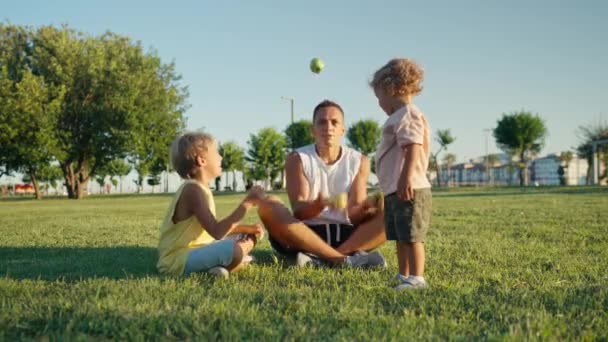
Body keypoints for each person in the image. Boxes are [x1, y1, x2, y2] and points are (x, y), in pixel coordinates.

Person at [258, 100, 387, 268]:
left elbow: (354, 216)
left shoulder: (359, 160)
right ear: (313, 130)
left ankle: (327, 258)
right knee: (268, 205)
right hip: (305, 235)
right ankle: (343, 260)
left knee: (395, 209)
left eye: (334, 122)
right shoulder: (297, 159)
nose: (328, 127)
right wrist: (317, 206)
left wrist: (366, 208)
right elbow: (298, 212)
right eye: (322, 122)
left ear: (342, 130)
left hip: (348, 235)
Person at [157, 131, 265, 278]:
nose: (221, 157)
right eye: (216, 153)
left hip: (201, 249)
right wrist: (248, 203)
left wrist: (247, 229)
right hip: (178, 260)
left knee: (248, 236)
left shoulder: (201, 188)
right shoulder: (192, 190)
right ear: (202, 160)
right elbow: (217, 231)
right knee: (233, 249)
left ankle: (222, 267)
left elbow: (210, 231)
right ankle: (237, 262)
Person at [370, 58, 432, 289]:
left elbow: (412, 146)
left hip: (409, 186)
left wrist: (406, 177)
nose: (379, 103)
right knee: (399, 235)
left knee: (412, 235)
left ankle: (417, 278)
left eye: (380, 97)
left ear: (391, 89)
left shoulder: (408, 114)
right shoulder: (398, 117)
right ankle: (404, 274)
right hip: (395, 188)